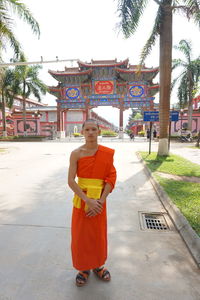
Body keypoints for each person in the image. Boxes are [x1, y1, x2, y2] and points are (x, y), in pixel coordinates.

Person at [68, 119, 117, 287]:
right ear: (82, 132)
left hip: (99, 202)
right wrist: (87, 199)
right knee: (81, 236)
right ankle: (83, 268)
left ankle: (98, 266)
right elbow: (71, 181)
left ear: (99, 132)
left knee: (97, 235)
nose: (90, 132)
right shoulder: (76, 153)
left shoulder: (106, 153)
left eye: (94, 129)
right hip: (82, 201)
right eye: (87, 129)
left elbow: (111, 177)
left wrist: (100, 201)